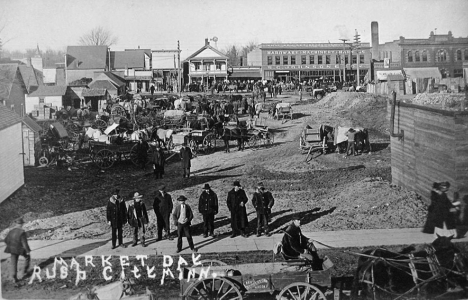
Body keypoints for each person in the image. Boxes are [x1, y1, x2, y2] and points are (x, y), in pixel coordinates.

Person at [4, 218, 31, 283]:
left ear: (16, 224)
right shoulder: (22, 232)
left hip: (11, 249)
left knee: (14, 262)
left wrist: (10, 245)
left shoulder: (11, 231)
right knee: (27, 257)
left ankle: (14, 277)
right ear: (21, 224)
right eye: (22, 224)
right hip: (19, 249)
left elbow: (6, 240)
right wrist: (27, 251)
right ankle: (24, 271)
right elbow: (24, 243)